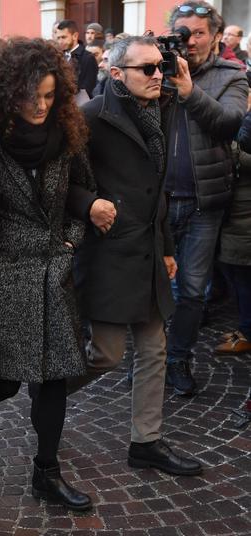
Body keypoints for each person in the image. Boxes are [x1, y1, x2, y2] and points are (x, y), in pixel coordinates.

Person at [70, 35, 203, 476]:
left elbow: (155, 189)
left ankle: (146, 442)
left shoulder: (161, 109)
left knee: (154, 348)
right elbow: (61, 183)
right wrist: (89, 203)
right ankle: (52, 390)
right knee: (105, 355)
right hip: (109, 253)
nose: (157, 75)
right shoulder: (88, 117)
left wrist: (165, 246)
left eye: (159, 66)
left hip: (147, 249)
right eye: (146, 69)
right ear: (116, 74)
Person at [0, 37, 93, 511]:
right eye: (29, 96)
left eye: (47, 94)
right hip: (3, 272)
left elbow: (84, 187)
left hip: (53, 268)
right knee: (3, 380)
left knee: (54, 377)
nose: (39, 106)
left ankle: (48, 470)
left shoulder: (67, 130)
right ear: (6, 94)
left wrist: (72, 238)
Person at [163, 1, 248, 395]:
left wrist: (188, 91)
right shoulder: (154, 66)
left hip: (203, 202)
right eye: (184, 32)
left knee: (194, 291)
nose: (190, 40)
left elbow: (230, 123)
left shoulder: (232, 75)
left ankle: (178, 359)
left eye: (199, 33)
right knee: (153, 288)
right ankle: (151, 360)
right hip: (157, 201)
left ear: (216, 36)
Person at [215, 110, 251, 354]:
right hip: (237, 212)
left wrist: (233, 150)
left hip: (244, 217)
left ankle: (248, 332)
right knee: (235, 273)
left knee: (242, 277)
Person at [55, 19, 99, 100]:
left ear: (75, 36)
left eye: (63, 37)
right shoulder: (57, 56)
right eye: (58, 38)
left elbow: (88, 89)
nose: (60, 41)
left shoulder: (88, 58)